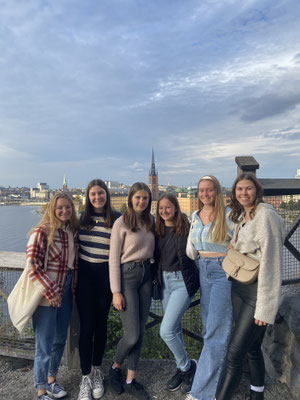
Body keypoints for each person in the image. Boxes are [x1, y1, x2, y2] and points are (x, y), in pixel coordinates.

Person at [216, 172, 285, 400]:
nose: (243, 193)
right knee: (253, 347)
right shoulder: (243, 215)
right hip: (239, 286)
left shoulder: (266, 216)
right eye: (239, 189)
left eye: (248, 188)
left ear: (257, 191)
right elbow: (244, 245)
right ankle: (257, 394)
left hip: (256, 292)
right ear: (234, 193)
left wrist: (266, 309)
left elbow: (272, 264)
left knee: (234, 355)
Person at [185, 175, 235, 400]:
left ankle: (201, 394)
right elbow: (191, 247)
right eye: (201, 191)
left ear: (218, 191)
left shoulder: (229, 215)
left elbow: (243, 239)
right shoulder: (195, 216)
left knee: (216, 331)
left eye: (210, 190)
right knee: (210, 330)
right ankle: (218, 382)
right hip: (202, 269)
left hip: (222, 272)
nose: (205, 194)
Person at [26, 193, 79, 400]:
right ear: (52, 209)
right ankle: (41, 390)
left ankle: (51, 379)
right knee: (44, 343)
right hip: (46, 292)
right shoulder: (42, 232)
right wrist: (52, 293)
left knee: (59, 340)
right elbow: (33, 267)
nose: (64, 211)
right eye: (60, 208)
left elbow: (72, 266)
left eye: (68, 207)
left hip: (66, 291)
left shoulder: (71, 231)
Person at [109, 182, 155, 400]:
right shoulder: (121, 222)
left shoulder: (150, 221)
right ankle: (115, 366)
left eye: (145, 198)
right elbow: (113, 260)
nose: (141, 201)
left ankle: (130, 379)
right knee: (132, 334)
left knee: (141, 331)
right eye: (138, 197)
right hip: (127, 276)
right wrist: (115, 291)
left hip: (147, 274)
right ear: (130, 198)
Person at [76, 179, 121, 400]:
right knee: (86, 328)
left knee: (100, 326)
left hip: (105, 276)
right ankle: (85, 376)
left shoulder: (117, 218)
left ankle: (96, 370)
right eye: (93, 194)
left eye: (100, 193)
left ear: (106, 195)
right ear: (88, 196)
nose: (97, 198)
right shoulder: (81, 218)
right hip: (84, 277)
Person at [155, 193, 199, 393]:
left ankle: (187, 367)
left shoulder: (187, 227)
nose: (164, 211)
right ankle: (183, 369)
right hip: (164, 282)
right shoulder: (157, 229)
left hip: (182, 282)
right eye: (161, 208)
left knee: (165, 330)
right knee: (174, 329)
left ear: (175, 207)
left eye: (168, 207)